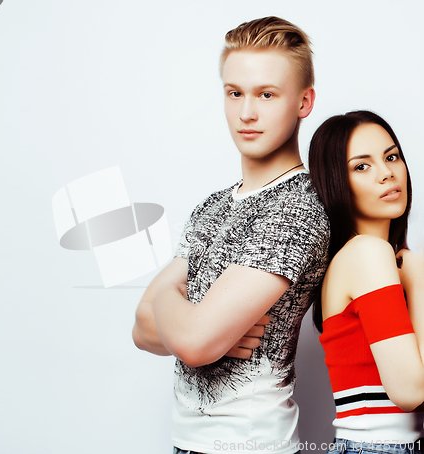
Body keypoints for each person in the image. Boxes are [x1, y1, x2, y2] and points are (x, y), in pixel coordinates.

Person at [133, 17, 330, 454]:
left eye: (266, 94)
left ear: (304, 101)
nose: (246, 113)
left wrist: (171, 301)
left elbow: (193, 341)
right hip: (187, 443)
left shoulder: (298, 208)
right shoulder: (213, 205)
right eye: (234, 93)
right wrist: (188, 321)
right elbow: (140, 329)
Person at [308, 110, 424, 454]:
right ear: (336, 182)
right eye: (362, 166)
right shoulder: (367, 254)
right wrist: (418, 282)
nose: (387, 173)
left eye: (391, 157)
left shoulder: (382, 259)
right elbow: (411, 392)